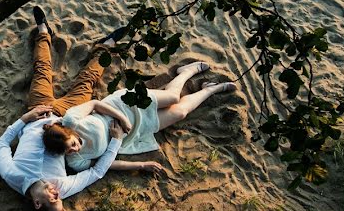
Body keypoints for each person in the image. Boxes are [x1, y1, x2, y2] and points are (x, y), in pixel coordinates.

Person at [0, 6, 146, 211]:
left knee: (42, 69)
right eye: (59, 200)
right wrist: (117, 140)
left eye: (54, 200)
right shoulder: (62, 186)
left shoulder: (12, 175)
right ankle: (106, 46)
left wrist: (26, 118)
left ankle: (43, 31)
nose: (57, 195)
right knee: (88, 81)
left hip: (38, 110)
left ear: (37, 203)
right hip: (67, 117)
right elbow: (97, 172)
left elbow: (1, 144)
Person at [42, 61, 236, 170]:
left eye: (73, 144)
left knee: (172, 97)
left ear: (69, 133)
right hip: (132, 133)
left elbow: (95, 104)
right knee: (180, 112)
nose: (75, 149)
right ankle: (210, 90)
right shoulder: (76, 162)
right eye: (69, 151)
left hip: (122, 107)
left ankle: (185, 72)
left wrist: (123, 119)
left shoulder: (70, 120)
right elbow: (106, 165)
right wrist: (141, 165)